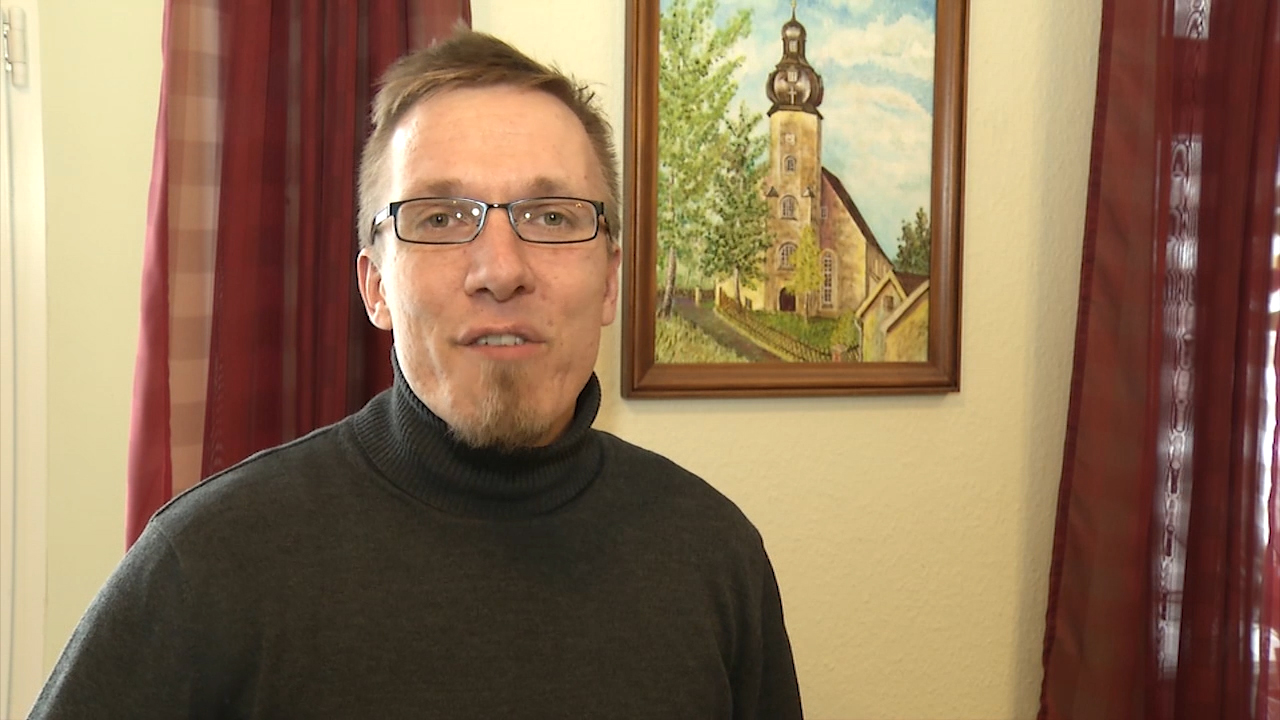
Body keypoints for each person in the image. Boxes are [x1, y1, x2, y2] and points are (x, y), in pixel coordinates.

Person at [29, 29, 803, 719]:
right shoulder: (206, 563)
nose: (500, 270)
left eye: (551, 217)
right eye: (440, 219)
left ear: (610, 281)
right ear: (376, 287)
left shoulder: (714, 558)